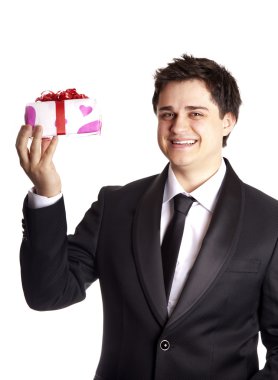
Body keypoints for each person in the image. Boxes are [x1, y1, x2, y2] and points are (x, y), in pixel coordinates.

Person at [16, 54, 278, 380]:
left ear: (228, 120)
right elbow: (47, 294)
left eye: (195, 113)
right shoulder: (115, 206)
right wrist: (46, 192)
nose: (178, 127)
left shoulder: (270, 222)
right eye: (167, 114)